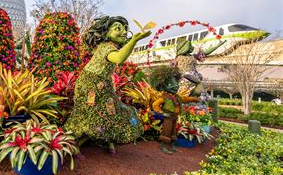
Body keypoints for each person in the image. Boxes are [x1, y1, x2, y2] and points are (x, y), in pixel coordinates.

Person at [65, 16, 151, 154]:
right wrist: (135, 40)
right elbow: (118, 58)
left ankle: (108, 140)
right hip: (90, 84)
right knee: (92, 113)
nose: (123, 31)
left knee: (112, 109)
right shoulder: (106, 47)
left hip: (103, 82)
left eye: (125, 29)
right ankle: (76, 143)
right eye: (118, 28)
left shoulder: (111, 47)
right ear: (105, 32)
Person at [150, 66, 199, 154]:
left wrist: (194, 99)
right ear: (162, 87)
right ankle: (164, 147)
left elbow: (184, 99)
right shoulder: (164, 98)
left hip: (175, 117)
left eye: (176, 83)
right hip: (168, 117)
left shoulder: (177, 97)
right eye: (170, 84)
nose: (175, 86)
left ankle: (172, 146)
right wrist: (162, 113)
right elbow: (155, 105)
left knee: (173, 132)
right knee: (166, 132)